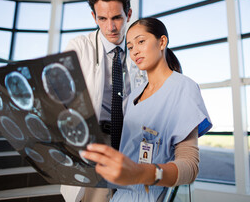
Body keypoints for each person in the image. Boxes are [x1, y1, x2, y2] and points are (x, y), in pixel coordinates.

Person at [81, 17, 212, 201]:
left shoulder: (183, 87)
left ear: (162, 42)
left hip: (150, 195)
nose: (134, 51)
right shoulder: (133, 96)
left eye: (141, 41)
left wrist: (141, 173)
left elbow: (190, 167)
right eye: (130, 46)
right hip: (119, 195)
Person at [60, 0, 146, 202]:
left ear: (128, 14)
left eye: (117, 17)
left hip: (131, 141)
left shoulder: (140, 49)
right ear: (93, 17)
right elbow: (62, 95)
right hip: (96, 142)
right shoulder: (80, 47)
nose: (111, 27)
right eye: (102, 19)